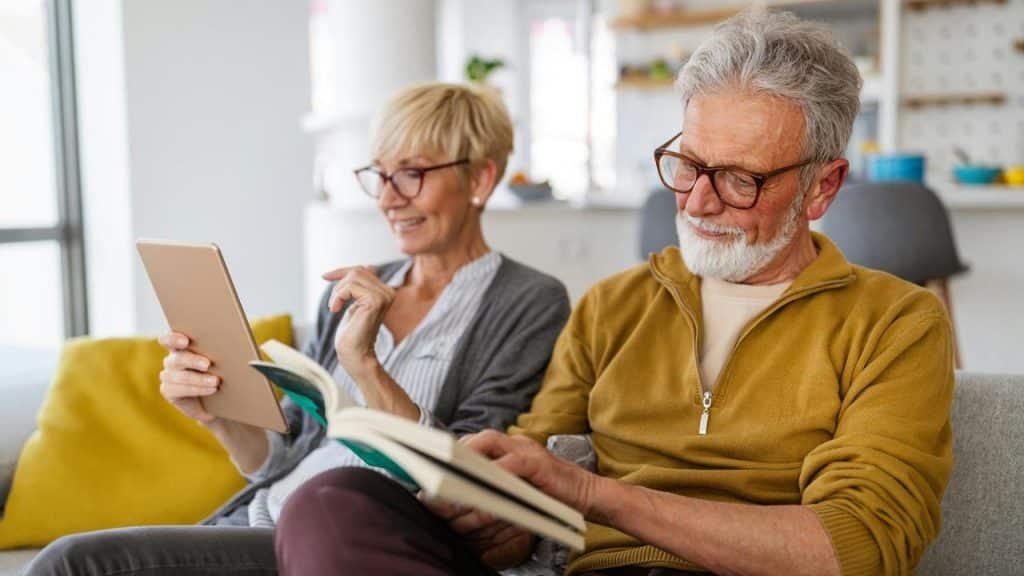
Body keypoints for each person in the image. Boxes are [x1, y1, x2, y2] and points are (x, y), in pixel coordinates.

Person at [274, 11, 954, 576]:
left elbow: (856, 547)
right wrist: (490, 505)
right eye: (687, 165)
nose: (697, 201)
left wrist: (597, 496)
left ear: (822, 188)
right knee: (331, 502)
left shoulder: (895, 322)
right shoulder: (613, 307)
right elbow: (525, 517)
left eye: (740, 179)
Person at [25, 83, 571, 576]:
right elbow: (281, 458)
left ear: (479, 178)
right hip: (263, 521)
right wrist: (214, 417)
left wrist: (365, 366)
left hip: (355, 539)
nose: (387, 197)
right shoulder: (353, 291)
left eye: (413, 173)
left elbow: (465, 472)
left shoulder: (527, 301)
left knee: (73, 563)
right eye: (380, 174)